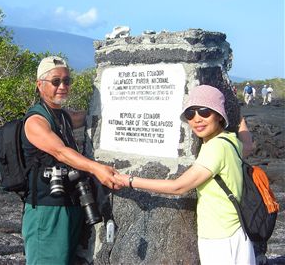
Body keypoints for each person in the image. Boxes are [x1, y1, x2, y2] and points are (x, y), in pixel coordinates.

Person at [115, 85, 255, 265]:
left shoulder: (215, 147)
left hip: (220, 236)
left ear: (219, 115)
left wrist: (128, 180)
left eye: (205, 111)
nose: (197, 119)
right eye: (190, 114)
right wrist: (240, 117)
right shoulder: (230, 140)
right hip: (237, 231)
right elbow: (248, 145)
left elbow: (178, 187)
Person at [21, 56, 124, 265]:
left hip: (71, 204)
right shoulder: (36, 121)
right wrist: (97, 168)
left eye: (67, 81)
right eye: (56, 81)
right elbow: (60, 152)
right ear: (39, 84)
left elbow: (88, 116)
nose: (62, 86)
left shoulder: (63, 116)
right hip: (47, 210)